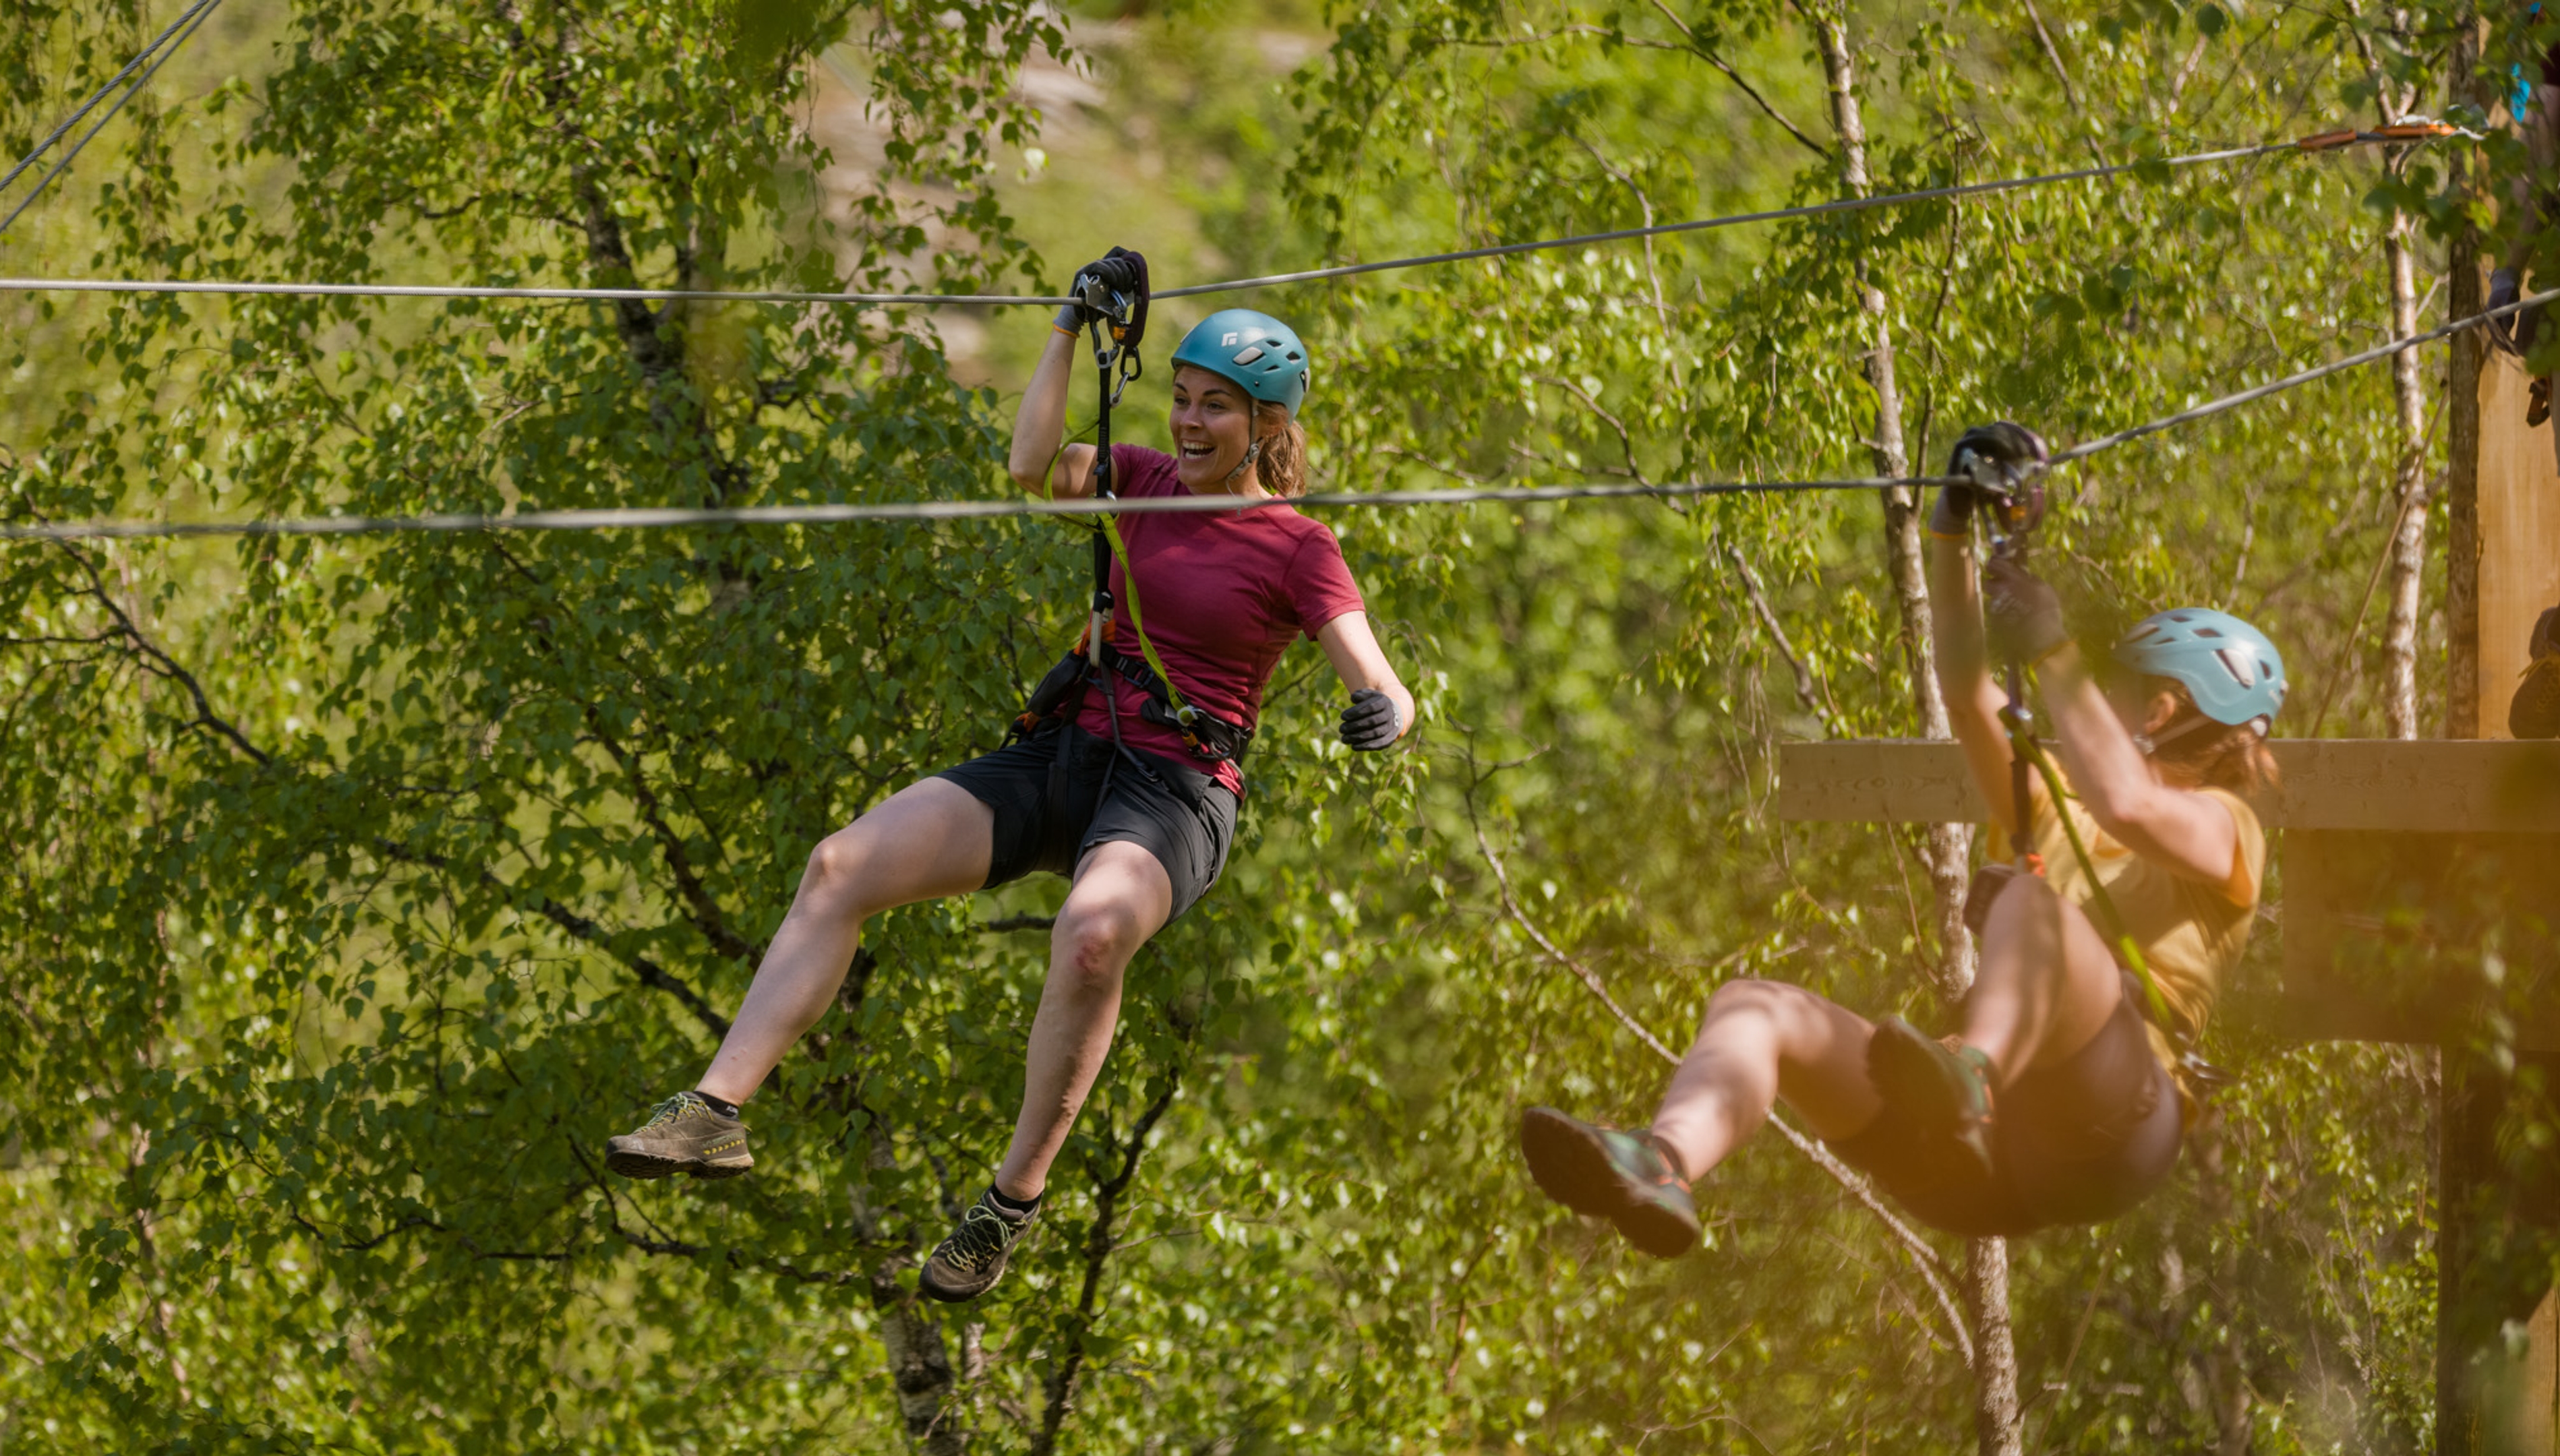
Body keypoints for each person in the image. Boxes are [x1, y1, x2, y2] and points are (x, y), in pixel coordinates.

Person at [602, 276, 1417, 1302]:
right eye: (1181, 398)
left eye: (1216, 406)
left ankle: (1008, 1205)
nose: (1188, 421)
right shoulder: (1139, 477)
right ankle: (714, 1114)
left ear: (1267, 426)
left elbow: (1379, 677)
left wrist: (1383, 713)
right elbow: (1031, 465)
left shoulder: (1298, 544)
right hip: (1069, 749)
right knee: (840, 864)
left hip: (1174, 791)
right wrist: (1069, 325)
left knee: (1093, 933)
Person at [1520, 424, 2284, 1249]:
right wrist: (1951, 531)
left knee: (2033, 904)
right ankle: (1664, 1162)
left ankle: (1973, 1074)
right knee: (1755, 1007)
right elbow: (1965, 688)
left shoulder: (2229, 829)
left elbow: (2129, 802)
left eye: (2120, 689)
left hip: (2109, 1127)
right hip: (1974, 1168)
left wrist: (2055, 650)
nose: (2100, 699)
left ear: (2162, 710)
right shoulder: (2054, 800)